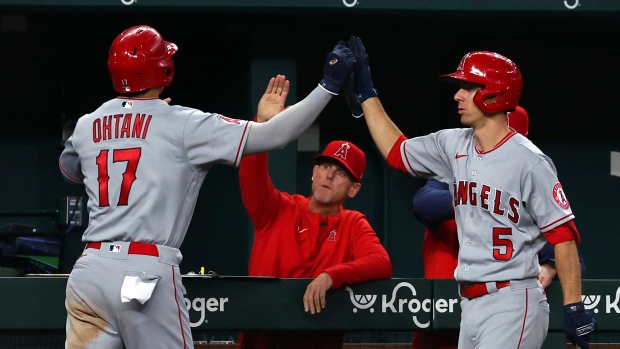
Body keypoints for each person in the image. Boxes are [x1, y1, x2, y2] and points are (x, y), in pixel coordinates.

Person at [58, 24, 357, 349]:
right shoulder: (183, 123)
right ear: (164, 69)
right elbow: (275, 135)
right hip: (143, 273)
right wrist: (328, 86)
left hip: (89, 271)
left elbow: (70, 170)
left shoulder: (87, 124)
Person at [345, 35, 596, 349]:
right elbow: (398, 151)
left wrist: (573, 305)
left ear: (494, 94)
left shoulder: (530, 162)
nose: (458, 95)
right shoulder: (453, 143)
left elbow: (563, 235)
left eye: (468, 87)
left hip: (514, 301)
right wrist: (368, 94)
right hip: (470, 304)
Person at [235, 81, 392, 349]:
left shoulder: (353, 224)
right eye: (325, 166)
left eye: (341, 173)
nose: (329, 175)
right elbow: (250, 174)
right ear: (313, 173)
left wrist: (332, 275)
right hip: (262, 341)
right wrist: (261, 125)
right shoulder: (278, 209)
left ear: (354, 189)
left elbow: (381, 263)